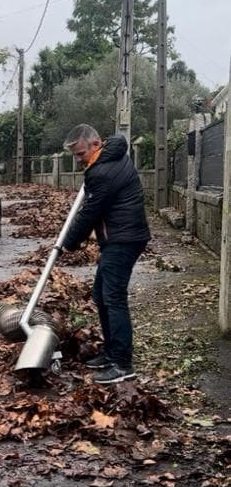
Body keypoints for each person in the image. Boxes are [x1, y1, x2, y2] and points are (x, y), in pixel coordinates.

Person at [61, 123, 150, 385]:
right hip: (123, 237)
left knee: (113, 298)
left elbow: (90, 212)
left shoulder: (102, 172)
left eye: (80, 154)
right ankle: (111, 354)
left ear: (96, 145)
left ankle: (122, 364)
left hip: (123, 239)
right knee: (101, 295)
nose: (78, 161)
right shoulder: (113, 154)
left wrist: (69, 242)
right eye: (75, 155)